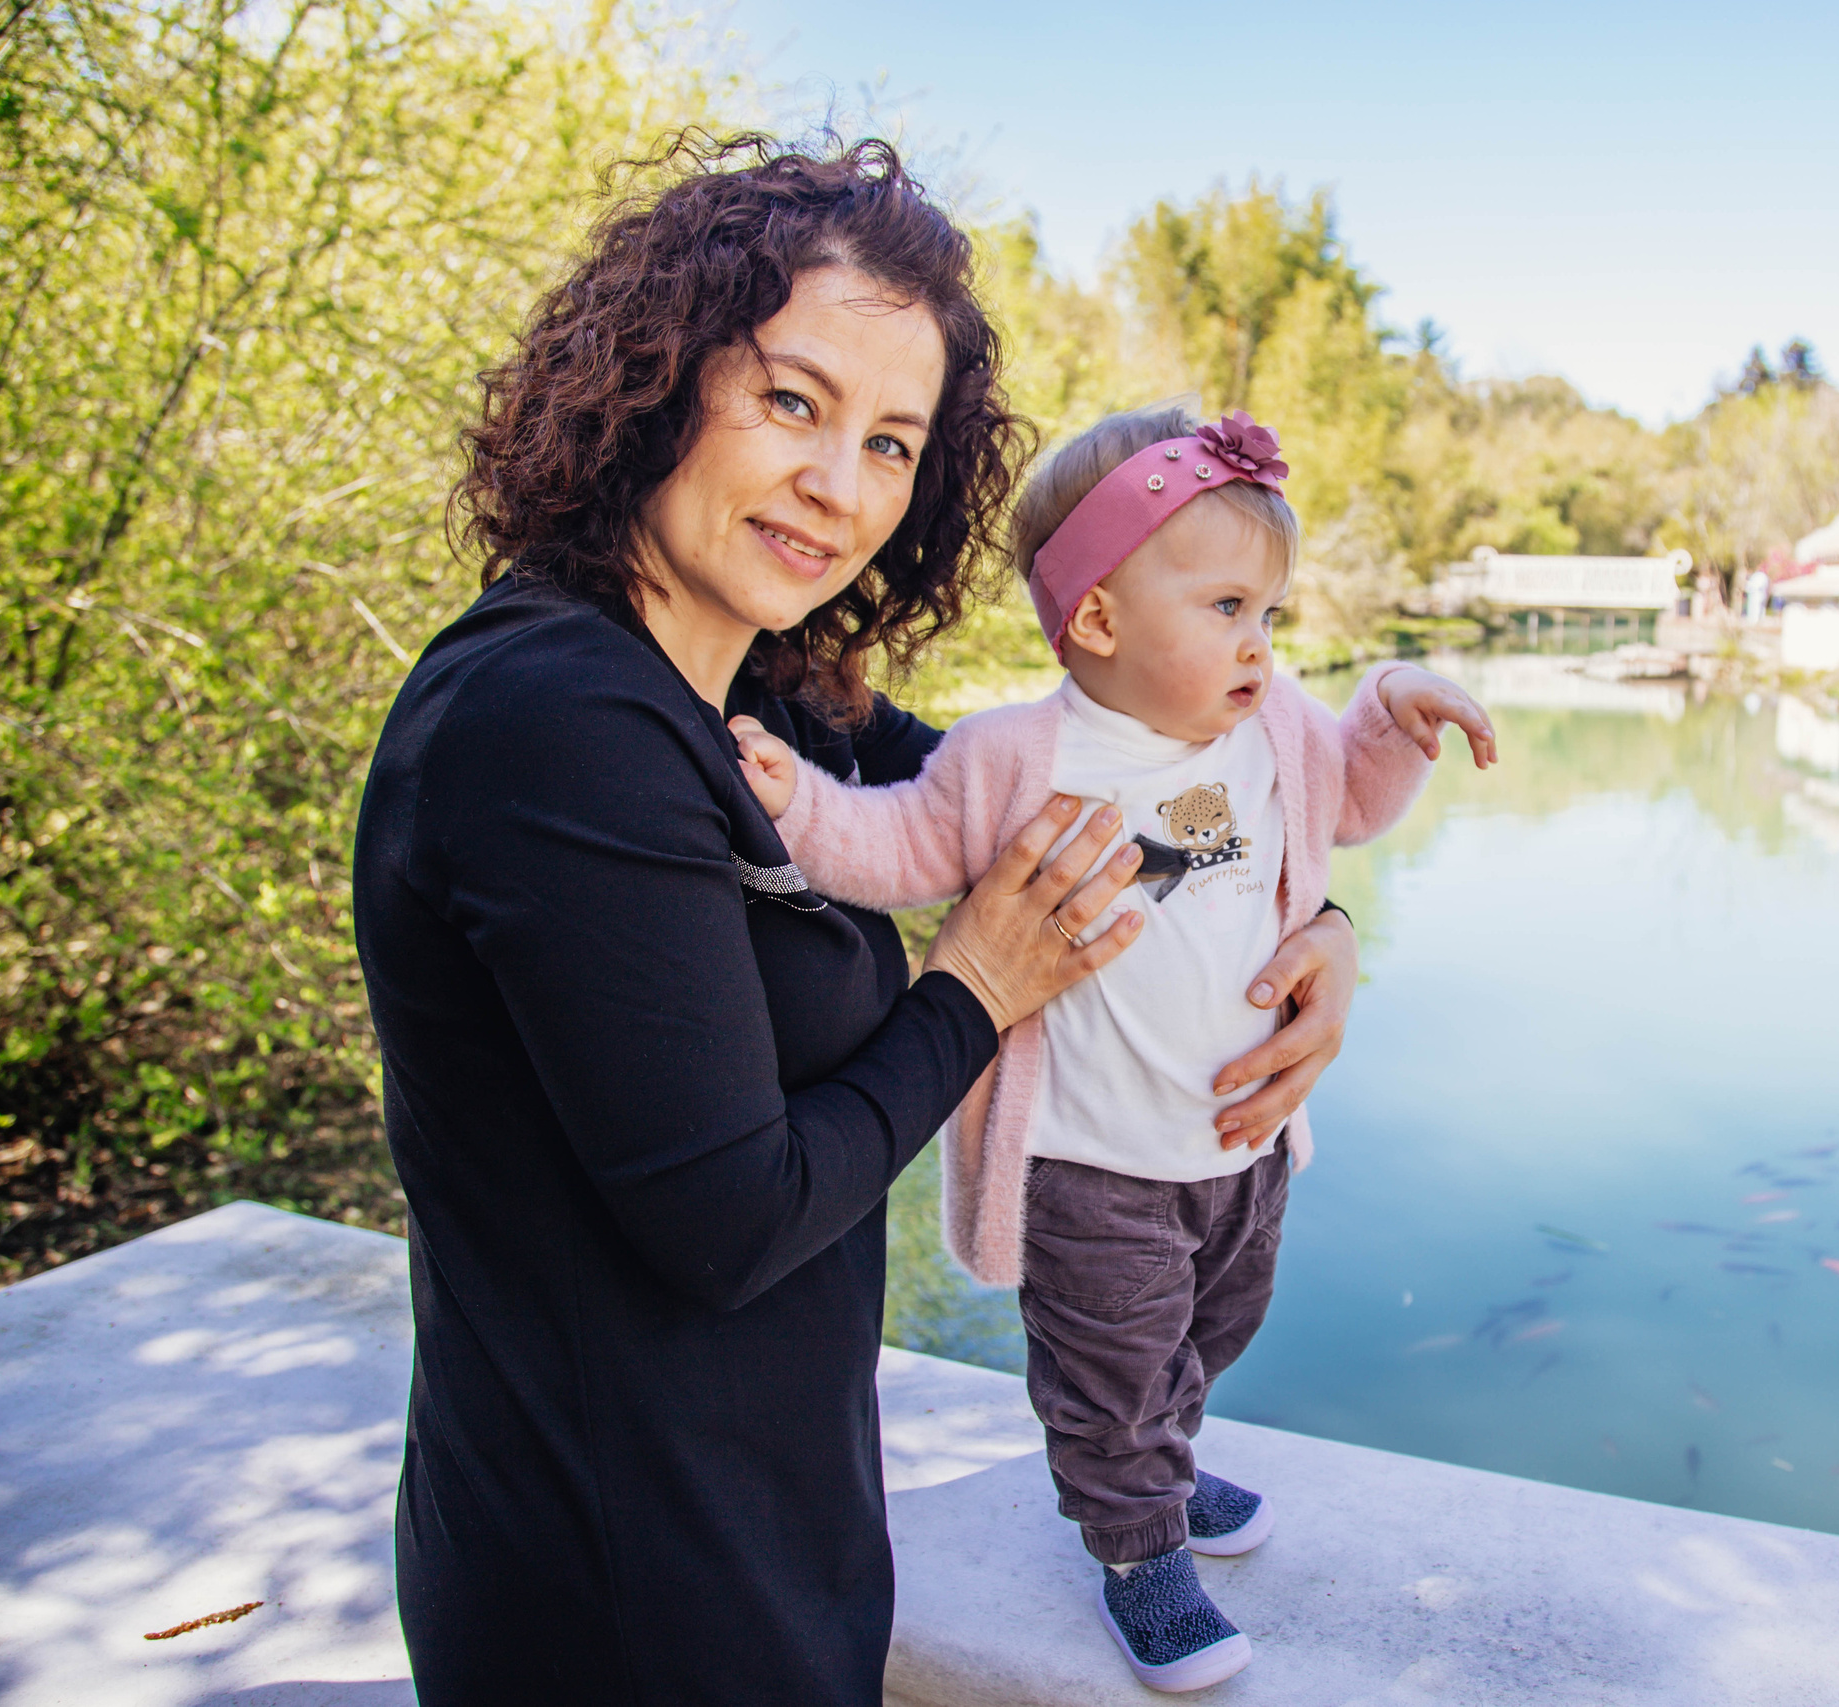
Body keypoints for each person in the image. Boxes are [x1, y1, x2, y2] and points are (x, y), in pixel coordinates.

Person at [351, 140, 1366, 1707]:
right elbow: (729, 1220)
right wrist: (968, 992)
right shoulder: (548, 727)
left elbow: (1077, 816)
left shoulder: (753, 684)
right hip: (619, 1600)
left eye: (894, 443)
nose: (844, 488)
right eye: (793, 403)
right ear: (657, 376)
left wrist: (1320, 920)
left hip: (767, 1539)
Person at [731, 403, 1496, 1692]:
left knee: (1216, 1326)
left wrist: (1393, 717)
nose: (1259, 647)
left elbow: (1352, 802)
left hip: (1236, 1144)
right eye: (1226, 611)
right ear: (1097, 622)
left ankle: (1170, 1468)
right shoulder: (1015, 761)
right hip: (1092, 1162)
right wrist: (800, 801)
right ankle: (1139, 1551)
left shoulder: (1274, 735)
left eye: (1272, 617)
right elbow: (899, 848)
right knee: (1111, 1367)